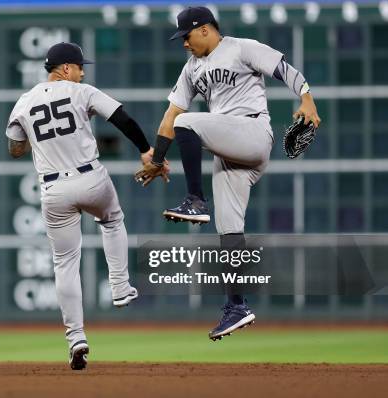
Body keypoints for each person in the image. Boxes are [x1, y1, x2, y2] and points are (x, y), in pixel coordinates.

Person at [135, 7, 321, 340]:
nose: (184, 44)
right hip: (228, 150)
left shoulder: (240, 47)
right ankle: (237, 305)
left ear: (205, 30)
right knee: (229, 229)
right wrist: (157, 158)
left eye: (187, 36)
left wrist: (306, 99)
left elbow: (285, 69)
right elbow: (170, 115)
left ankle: (195, 200)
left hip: (252, 133)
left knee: (188, 123)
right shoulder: (191, 69)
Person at [6, 42, 150, 370]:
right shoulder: (80, 89)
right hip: (90, 178)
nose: (83, 71)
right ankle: (120, 287)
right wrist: (146, 150)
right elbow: (122, 119)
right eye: (79, 65)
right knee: (112, 220)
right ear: (66, 69)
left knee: (65, 262)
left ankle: (76, 337)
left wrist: (37, 136)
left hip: (53, 188)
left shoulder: (24, 102)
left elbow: (15, 149)